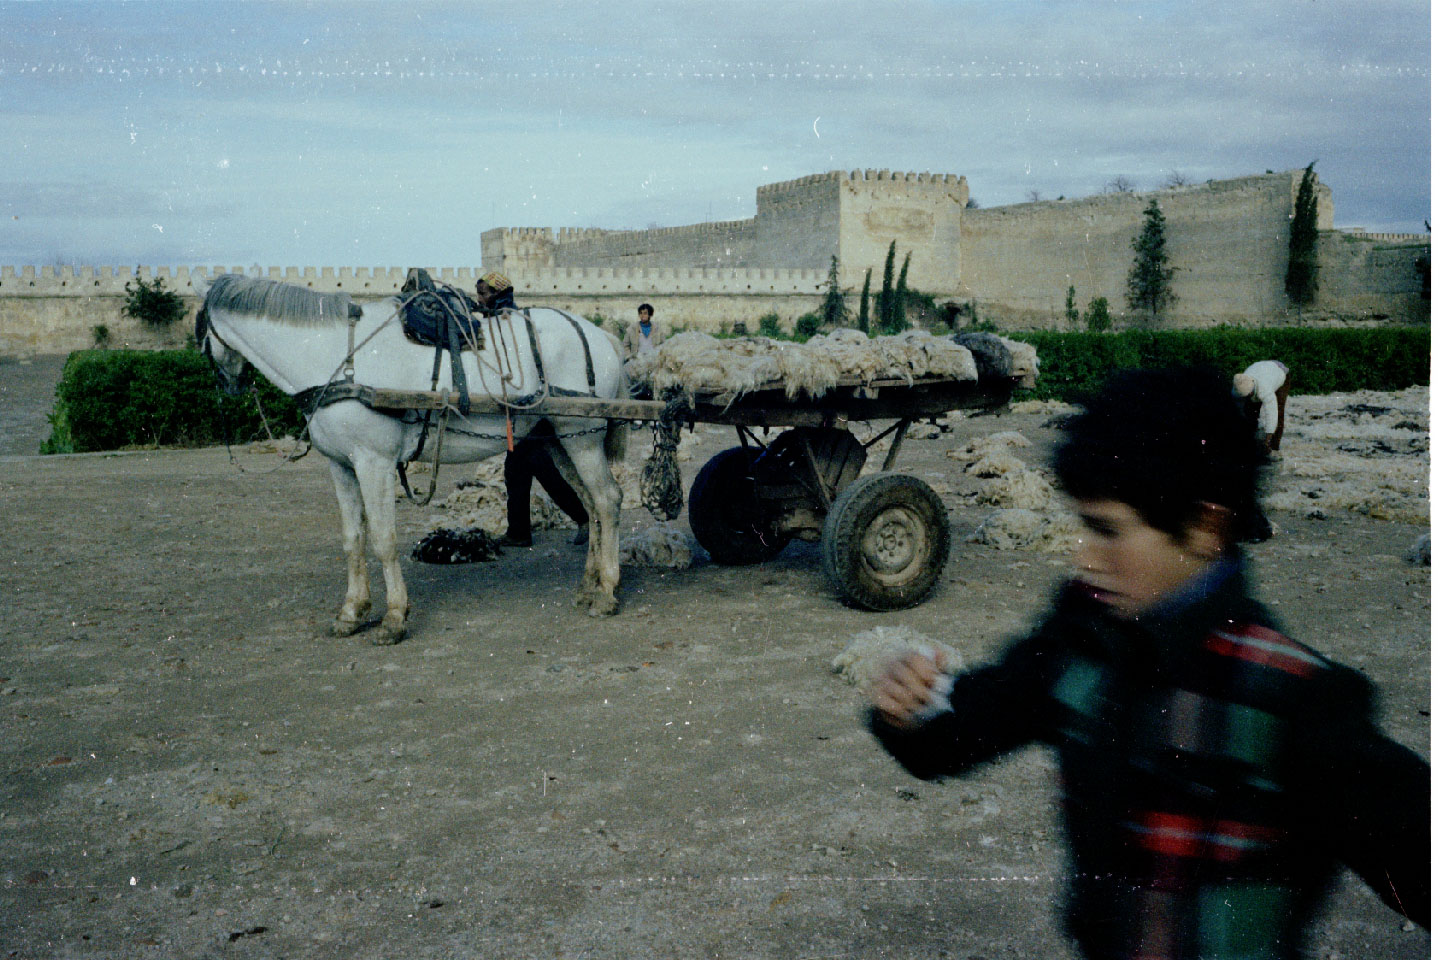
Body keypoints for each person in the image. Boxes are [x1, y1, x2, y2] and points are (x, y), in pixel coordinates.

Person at [864, 366, 1429, 960]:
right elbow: (965, 731)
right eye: (1083, 524)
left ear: (1206, 527)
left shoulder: (1295, 700)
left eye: (1108, 530)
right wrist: (908, 711)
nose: (1085, 556)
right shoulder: (1080, 639)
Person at [501, 433, 590, 547]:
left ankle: (582, 518)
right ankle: (518, 533)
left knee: (533, 461)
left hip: (528, 423)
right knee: (518, 465)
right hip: (522, 426)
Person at [1232, 359, 1291, 455]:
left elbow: (1272, 414)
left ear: (1251, 392)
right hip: (1262, 368)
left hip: (1280, 372)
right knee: (1250, 413)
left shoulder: (1264, 390)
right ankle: (1250, 443)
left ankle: (1274, 447)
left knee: (1279, 413)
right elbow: (1238, 408)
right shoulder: (1238, 386)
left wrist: (1267, 441)